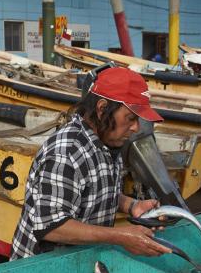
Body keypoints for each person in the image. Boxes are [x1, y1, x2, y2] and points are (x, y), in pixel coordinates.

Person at [10, 66, 172, 260]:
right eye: (130, 118)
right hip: (39, 268)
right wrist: (121, 236)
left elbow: (91, 190)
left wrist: (132, 205)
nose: (136, 127)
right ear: (102, 108)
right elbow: (51, 227)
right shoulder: (66, 153)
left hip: (77, 259)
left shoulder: (107, 142)